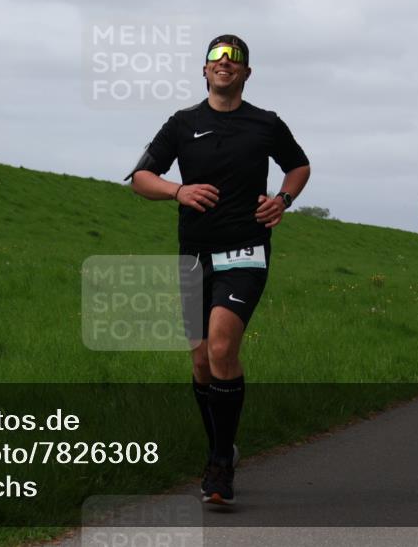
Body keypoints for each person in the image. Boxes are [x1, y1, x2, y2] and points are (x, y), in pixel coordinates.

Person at [126, 35, 311, 505]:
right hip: (194, 255)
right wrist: (177, 191)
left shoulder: (266, 124)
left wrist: (283, 200)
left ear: (247, 73)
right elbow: (141, 179)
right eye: (216, 57)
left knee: (223, 345)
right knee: (200, 360)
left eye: (235, 58)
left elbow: (299, 166)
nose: (224, 63)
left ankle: (220, 468)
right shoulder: (182, 124)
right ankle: (220, 445)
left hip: (246, 252)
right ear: (204, 71)